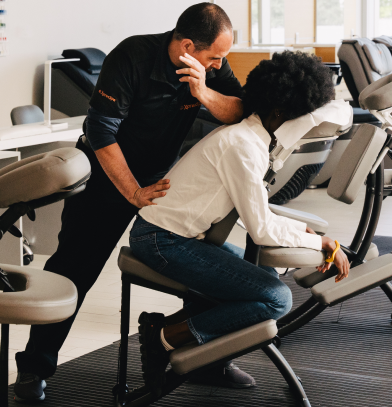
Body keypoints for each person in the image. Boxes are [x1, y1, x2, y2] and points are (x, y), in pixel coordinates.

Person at [14, 3, 251, 401]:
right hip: (106, 178)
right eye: (214, 58)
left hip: (161, 179)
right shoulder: (132, 57)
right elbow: (101, 132)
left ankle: (205, 359)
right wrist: (133, 193)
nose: (219, 65)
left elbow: (240, 110)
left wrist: (203, 91)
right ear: (189, 46)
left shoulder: (208, 66)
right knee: (74, 270)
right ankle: (35, 367)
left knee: (201, 260)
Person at [129, 51, 351, 393]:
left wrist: (301, 233)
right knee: (276, 298)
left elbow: (257, 213)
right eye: (300, 117)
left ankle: (205, 359)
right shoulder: (242, 147)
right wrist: (321, 243)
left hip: (180, 236)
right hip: (163, 239)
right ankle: (165, 338)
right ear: (279, 113)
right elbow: (260, 229)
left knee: (262, 280)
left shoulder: (250, 140)